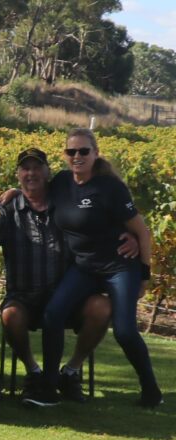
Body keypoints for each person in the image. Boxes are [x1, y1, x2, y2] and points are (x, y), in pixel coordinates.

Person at [0, 148, 136, 404]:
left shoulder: (66, 206)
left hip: (67, 298)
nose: (31, 173)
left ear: (47, 172)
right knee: (10, 315)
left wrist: (132, 237)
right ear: (18, 174)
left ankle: (70, 371)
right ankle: (34, 372)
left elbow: (103, 221)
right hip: (24, 298)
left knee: (102, 306)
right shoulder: (7, 209)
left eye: (37, 167)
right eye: (25, 168)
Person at [36, 129, 162, 408]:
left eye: (83, 151)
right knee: (52, 314)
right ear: (65, 156)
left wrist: (143, 276)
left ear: (95, 154)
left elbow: (142, 232)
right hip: (84, 268)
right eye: (71, 152)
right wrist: (9, 194)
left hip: (119, 267)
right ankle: (50, 383)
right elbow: (33, 193)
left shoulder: (110, 188)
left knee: (125, 331)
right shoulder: (60, 182)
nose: (77, 157)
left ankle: (151, 389)